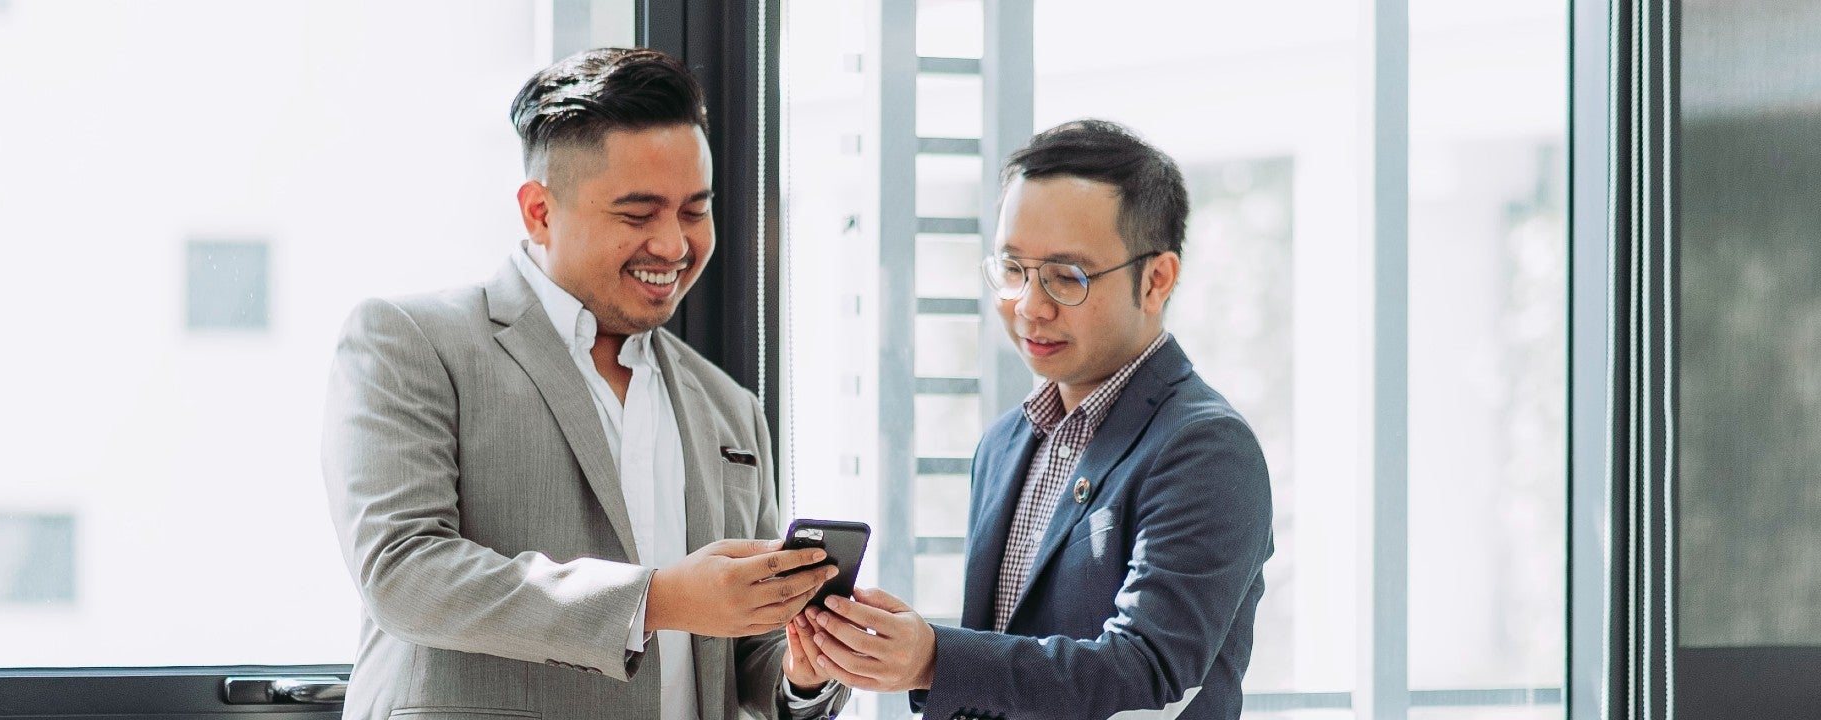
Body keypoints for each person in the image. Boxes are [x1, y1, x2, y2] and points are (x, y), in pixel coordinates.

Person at [321, 48, 850, 720]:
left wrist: (805, 670)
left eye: (694, 210)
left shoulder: (730, 409)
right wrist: (661, 598)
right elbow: (404, 575)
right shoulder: (410, 343)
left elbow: (747, 661)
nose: (673, 245)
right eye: (637, 214)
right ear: (539, 211)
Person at [793, 119, 1274, 720]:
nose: (1029, 305)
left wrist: (935, 659)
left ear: (1156, 280)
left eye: (1067, 277)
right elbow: (1003, 665)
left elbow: (1147, 673)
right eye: (1013, 269)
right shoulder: (1004, 444)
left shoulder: (1206, 448)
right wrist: (875, 655)